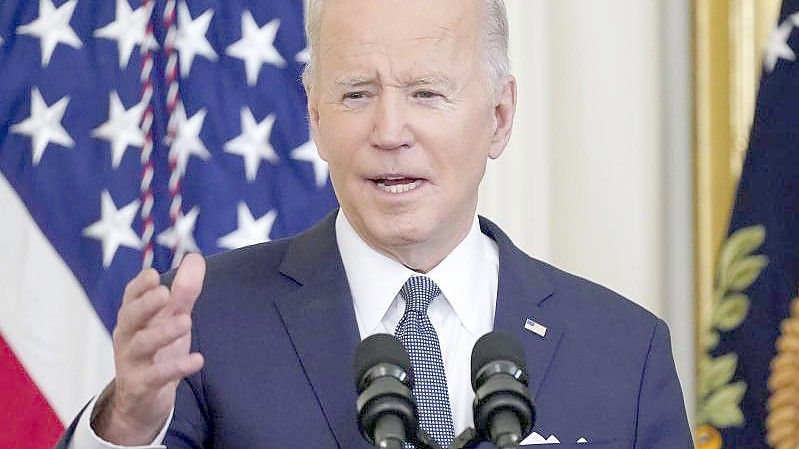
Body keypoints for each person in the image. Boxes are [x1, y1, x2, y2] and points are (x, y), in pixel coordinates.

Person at [57, 0, 693, 447]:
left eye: (427, 93)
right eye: (357, 94)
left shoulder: (624, 352)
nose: (389, 133)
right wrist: (128, 427)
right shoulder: (207, 327)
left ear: (498, 117)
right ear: (313, 116)